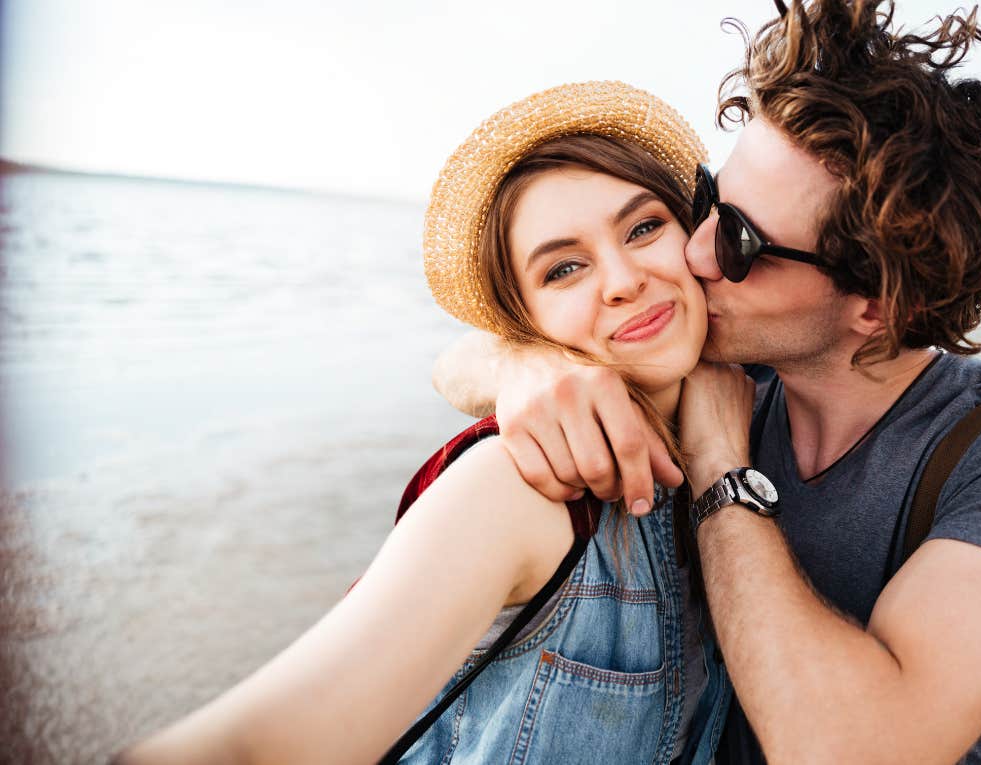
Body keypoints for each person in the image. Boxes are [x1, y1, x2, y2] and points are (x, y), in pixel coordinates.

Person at [432, 3, 981, 763]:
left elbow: (849, 749)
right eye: (705, 201)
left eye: (739, 240)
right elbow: (457, 360)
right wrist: (528, 365)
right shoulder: (720, 351)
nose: (691, 253)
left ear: (879, 305)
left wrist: (721, 471)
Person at [114, 81, 731, 765]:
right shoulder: (517, 486)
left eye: (644, 227)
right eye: (564, 269)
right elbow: (249, 745)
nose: (621, 279)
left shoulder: (758, 420)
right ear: (526, 327)